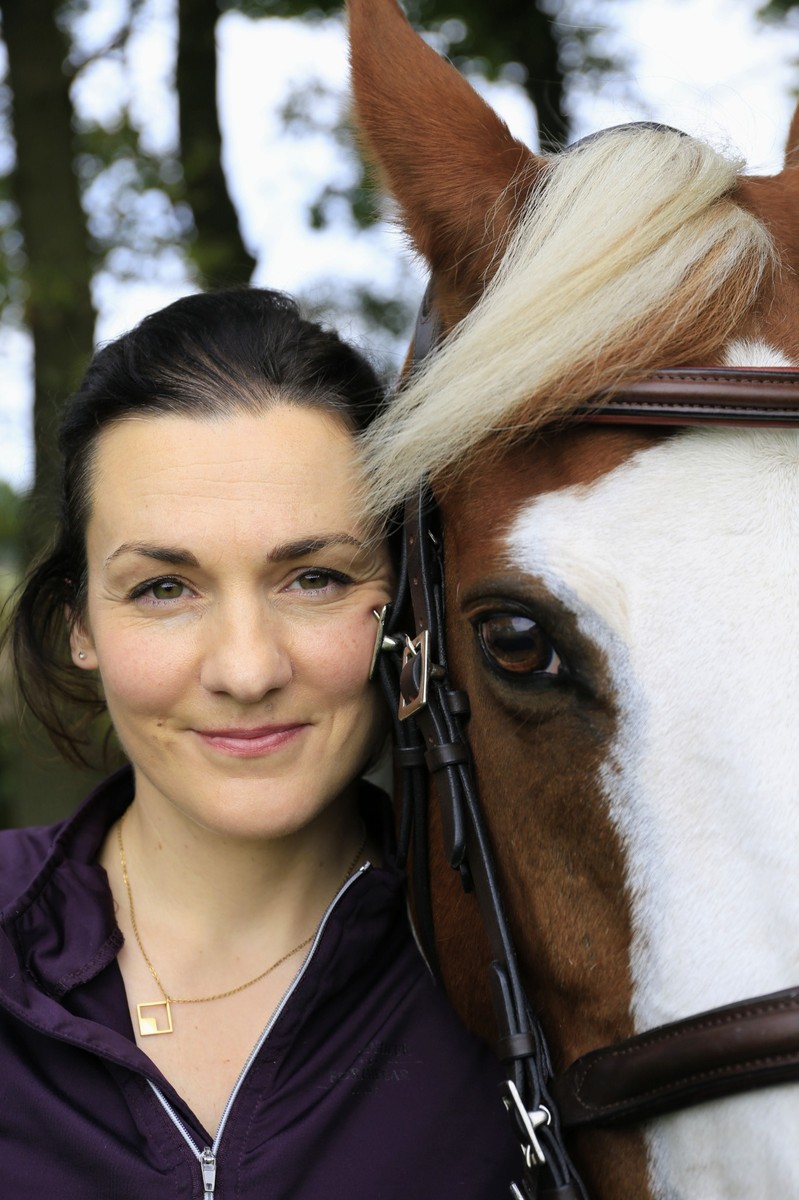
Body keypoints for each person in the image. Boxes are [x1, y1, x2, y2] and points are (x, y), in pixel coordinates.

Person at [0, 288, 519, 1197]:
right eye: (164, 588)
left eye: (313, 577)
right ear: (79, 620)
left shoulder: (527, 972)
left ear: (406, 603)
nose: (246, 670)